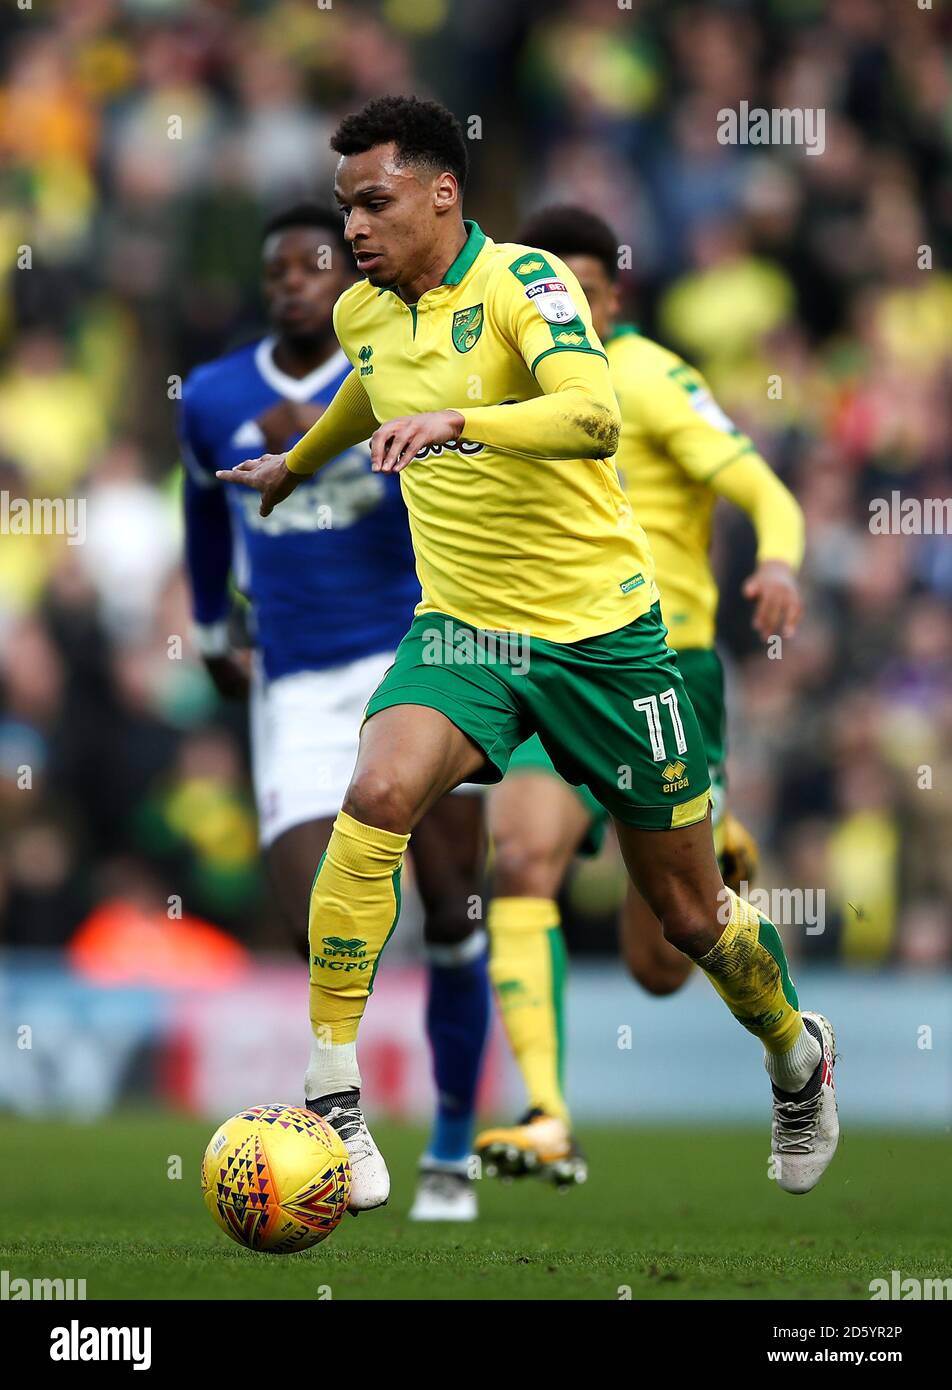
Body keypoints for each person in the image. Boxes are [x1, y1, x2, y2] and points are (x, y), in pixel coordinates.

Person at [217, 96, 838, 1214]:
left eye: (375, 201)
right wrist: (298, 467)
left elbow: (591, 412)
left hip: (605, 640)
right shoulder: (368, 311)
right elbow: (376, 386)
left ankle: (796, 1058)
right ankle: (334, 1094)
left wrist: (463, 425)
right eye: (347, 204)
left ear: (442, 191)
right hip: (463, 632)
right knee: (378, 790)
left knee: (689, 919)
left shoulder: (524, 284)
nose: (352, 228)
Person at [474, 206, 806, 1183]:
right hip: (547, 660)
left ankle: (741, 913)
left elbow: (768, 493)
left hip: (662, 671)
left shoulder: (654, 379)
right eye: (545, 287)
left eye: (582, 288)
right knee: (522, 858)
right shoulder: (500, 380)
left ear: (614, 296)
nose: (562, 306)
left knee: (664, 961)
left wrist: (778, 561)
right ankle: (546, 1116)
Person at [180, 202, 490, 1221]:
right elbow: (201, 509)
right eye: (279, 269)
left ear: (347, 279)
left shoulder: (398, 367)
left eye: (316, 263)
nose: (296, 281)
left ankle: (449, 1145)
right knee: (313, 905)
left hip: (412, 656)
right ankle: (342, 1120)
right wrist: (214, 630)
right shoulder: (216, 394)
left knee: (452, 906)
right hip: (298, 681)